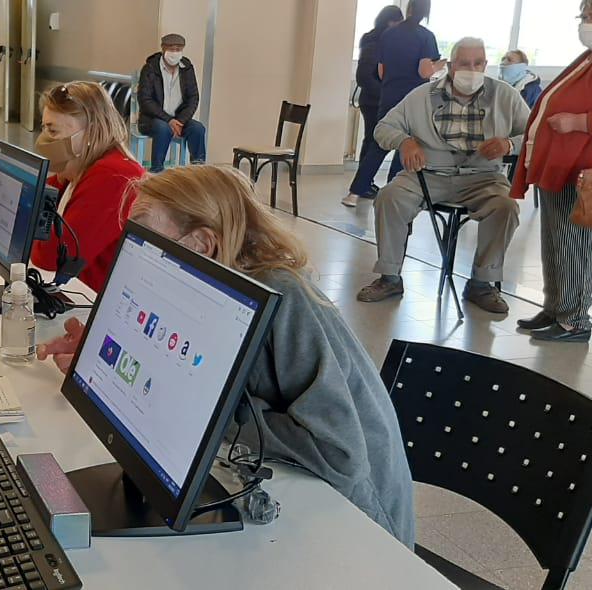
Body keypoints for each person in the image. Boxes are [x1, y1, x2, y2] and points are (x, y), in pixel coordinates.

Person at [37, 165, 416, 547]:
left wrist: (208, 416)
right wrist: (104, 350)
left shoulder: (285, 299)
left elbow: (338, 453)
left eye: (146, 235)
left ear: (202, 244)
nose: (134, 249)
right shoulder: (203, 290)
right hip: (294, 499)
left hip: (365, 526)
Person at [357, 37, 530, 314]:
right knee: (389, 196)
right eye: (464, 64)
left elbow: (535, 134)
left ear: (485, 65)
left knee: (506, 207)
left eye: (477, 63)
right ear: (450, 66)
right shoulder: (422, 96)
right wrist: (404, 141)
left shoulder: (505, 95)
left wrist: (509, 144)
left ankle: (481, 284)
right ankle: (389, 277)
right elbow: (383, 127)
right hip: (427, 175)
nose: (471, 69)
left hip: (483, 176)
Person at [511, 0, 592, 343]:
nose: (586, 22)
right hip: (563, 164)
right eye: (584, 15)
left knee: (576, 244)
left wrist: (580, 122)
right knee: (556, 242)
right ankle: (556, 307)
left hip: (586, 169)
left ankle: (574, 320)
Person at [31, 81, 145, 292]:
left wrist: (28, 231)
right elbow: (35, 197)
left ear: (91, 133)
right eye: (44, 128)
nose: (44, 139)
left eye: (52, 130)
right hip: (79, 291)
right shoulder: (79, 167)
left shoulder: (114, 176)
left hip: (95, 299)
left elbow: (50, 258)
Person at [372, 1, 445, 185]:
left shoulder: (388, 34)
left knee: (378, 145)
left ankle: (356, 190)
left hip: (389, 94)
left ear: (409, 8)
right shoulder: (426, 36)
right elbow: (424, 72)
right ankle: (393, 186)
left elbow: (381, 71)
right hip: (413, 99)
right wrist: (439, 66)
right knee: (407, 144)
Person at [343, 5, 405, 207]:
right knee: (374, 142)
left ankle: (364, 184)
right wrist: (385, 93)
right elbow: (363, 76)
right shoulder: (376, 42)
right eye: (398, 23)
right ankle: (363, 185)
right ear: (390, 22)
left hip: (373, 100)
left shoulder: (375, 39)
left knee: (370, 141)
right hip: (374, 101)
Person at [136, 33, 206, 172]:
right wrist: (168, 120)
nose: (174, 52)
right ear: (163, 48)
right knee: (163, 128)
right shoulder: (150, 68)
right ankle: (156, 170)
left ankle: (199, 171)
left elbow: (193, 98)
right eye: (171, 49)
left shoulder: (186, 68)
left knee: (198, 129)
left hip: (180, 120)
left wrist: (180, 121)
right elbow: (145, 100)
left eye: (178, 49)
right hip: (152, 120)